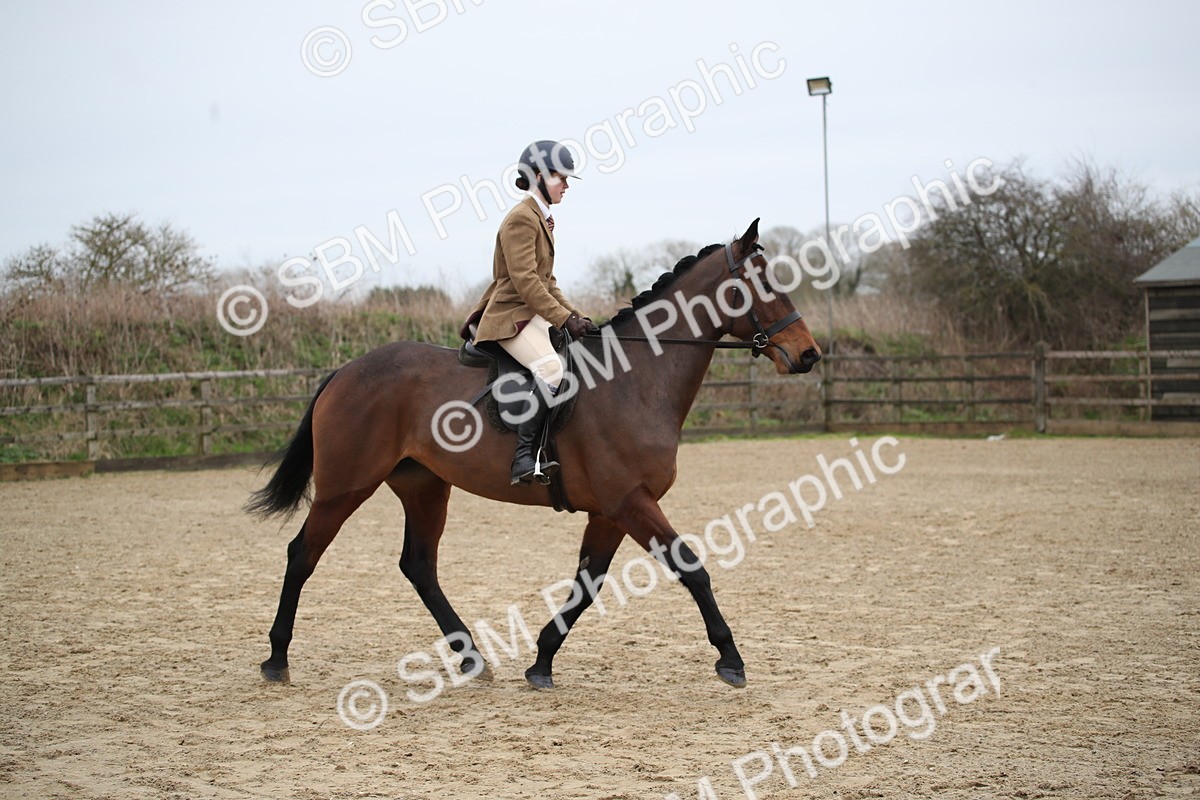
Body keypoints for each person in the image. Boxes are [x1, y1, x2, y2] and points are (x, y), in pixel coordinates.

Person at [461, 140, 598, 485]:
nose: (566, 185)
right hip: (510, 317)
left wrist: (575, 316)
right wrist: (562, 318)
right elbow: (525, 282)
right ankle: (523, 459)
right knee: (552, 369)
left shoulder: (542, 219)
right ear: (538, 177)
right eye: (560, 178)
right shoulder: (521, 219)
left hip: (531, 314)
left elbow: (547, 281)